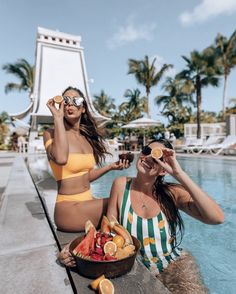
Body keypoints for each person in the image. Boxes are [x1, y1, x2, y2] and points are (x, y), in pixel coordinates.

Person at [106, 139, 224, 293]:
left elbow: (217, 218)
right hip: (136, 269)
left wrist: (179, 174)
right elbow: (108, 232)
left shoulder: (171, 193)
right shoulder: (121, 185)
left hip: (174, 266)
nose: (148, 158)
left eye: (157, 159)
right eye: (147, 151)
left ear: (163, 170)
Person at [43, 86, 130, 233]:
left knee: (129, 192)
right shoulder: (50, 134)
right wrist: (57, 118)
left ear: (83, 108)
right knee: (124, 202)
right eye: (66, 100)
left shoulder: (87, 139)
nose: (70, 104)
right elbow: (61, 158)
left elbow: (85, 177)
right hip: (69, 209)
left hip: (87, 203)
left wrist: (110, 167)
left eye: (76, 100)